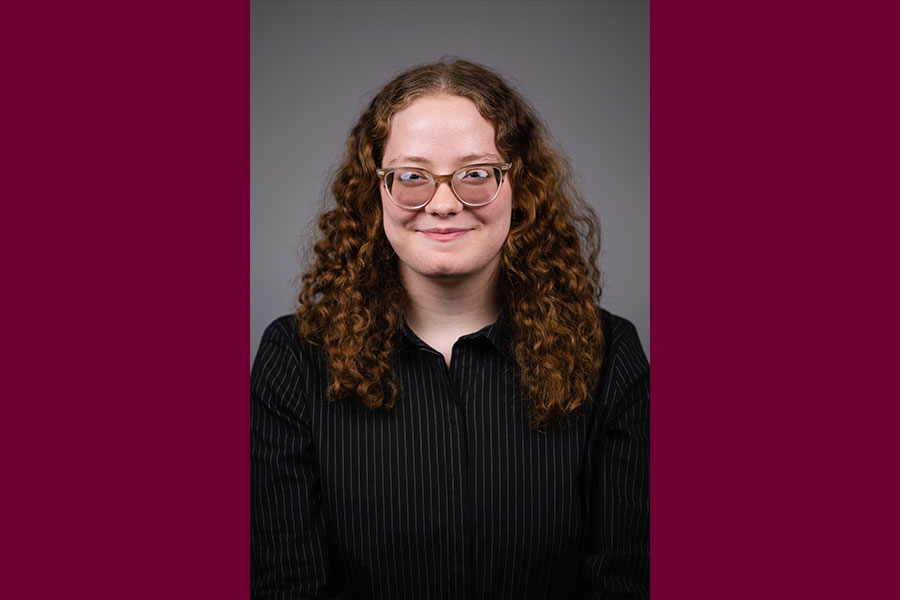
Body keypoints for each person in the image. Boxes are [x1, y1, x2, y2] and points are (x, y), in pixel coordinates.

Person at [251, 59, 649, 599]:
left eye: (476, 174)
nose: (442, 204)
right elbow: (287, 586)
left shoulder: (610, 356)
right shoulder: (293, 360)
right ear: (377, 193)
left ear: (518, 186)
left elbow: (626, 580)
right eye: (412, 176)